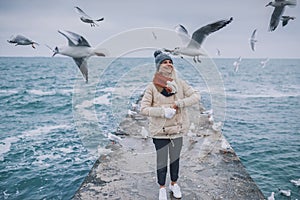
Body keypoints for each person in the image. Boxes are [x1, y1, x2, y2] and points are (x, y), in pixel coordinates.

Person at [140, 50, 200, 200]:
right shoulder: (152, 86)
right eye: (165, 62)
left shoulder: (180, 83)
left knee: (175, 159)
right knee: (161, 161)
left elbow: (196, 96)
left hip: (177, 129)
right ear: (158, 66)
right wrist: (162, 111)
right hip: (159, 130)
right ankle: (162, 188)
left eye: (170, 62)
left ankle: (174, 184)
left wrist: (179, 103)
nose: (168, 65)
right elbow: (143, 109)